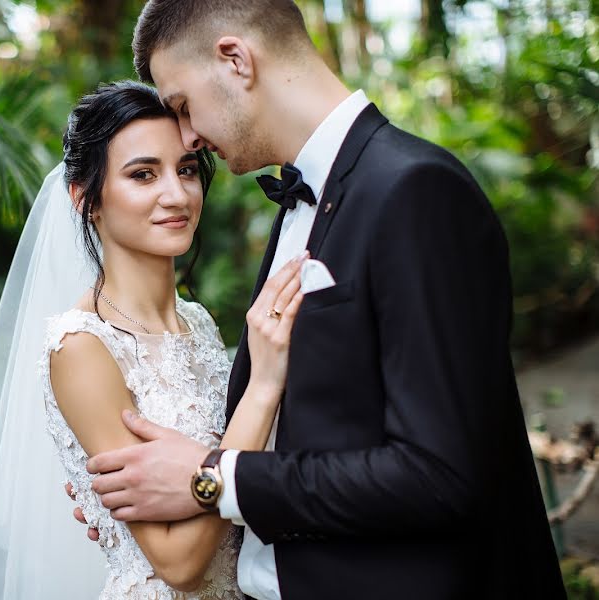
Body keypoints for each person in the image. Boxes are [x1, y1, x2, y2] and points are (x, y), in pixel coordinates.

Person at [80, 2, 566, 599]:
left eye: (182, 106)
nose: (188, 135)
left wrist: (212, 480)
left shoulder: (413, 190)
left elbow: (442, 475)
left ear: (235, 60)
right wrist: (138, 506)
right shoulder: (299, 206)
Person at [0, 80, 304, 599]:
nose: (176, 195)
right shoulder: (81, 346)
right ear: (85, 198)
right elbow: (178, 562)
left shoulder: (198, 321)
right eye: (143, 174)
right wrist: (265, 386)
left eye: (185, 169)